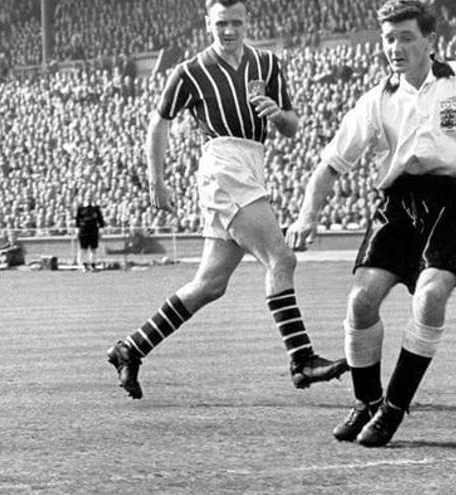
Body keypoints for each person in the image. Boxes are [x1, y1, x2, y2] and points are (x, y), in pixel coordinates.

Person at [285, 0, 456, 447]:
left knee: (430, 295)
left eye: (406, 37)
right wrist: (307, 215)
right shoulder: (377, 100)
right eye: (389, 38)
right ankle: (366, 404)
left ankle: (393, 408)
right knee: (360, 301)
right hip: (400, 201)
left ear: (431, 41)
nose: (395, 47)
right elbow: (330, 165)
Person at [105, 0, 348, 400]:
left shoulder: (267, 65)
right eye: (221, 24)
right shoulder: (190, 71)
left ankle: (130, 348)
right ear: (208, 24)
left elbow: (291, 126)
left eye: (236, 23)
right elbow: (159, 123)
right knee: (281, 259)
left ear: (246, 22)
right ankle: (302, 360)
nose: (229, 31)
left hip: (253, 160)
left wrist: (277, 114)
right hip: (223, 164)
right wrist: (156, 181)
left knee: (210, 284)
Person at [75, 193, 106, 271]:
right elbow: (77, 220)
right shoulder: (81, 208)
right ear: (84, 198)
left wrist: (101, 230)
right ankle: (84, 265)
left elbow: (100, 220)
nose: (88, 198)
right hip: (83, 231)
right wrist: (77, 229)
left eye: (90, 197)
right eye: (87, 197)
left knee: (94, 248)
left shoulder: (96, 208)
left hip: (93, 230)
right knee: (83, 249)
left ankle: (93, 265)